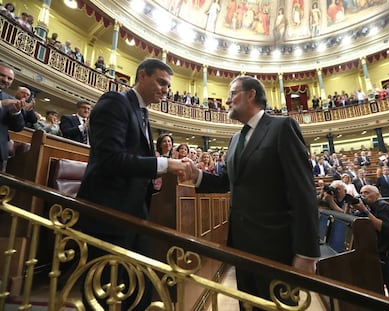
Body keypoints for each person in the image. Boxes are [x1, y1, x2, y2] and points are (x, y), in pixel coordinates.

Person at [184, 75, 319, 308]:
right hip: (242, 246)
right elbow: (227, 181)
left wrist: (307, 253)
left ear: (251, 94)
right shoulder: (236, 138)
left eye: (232, 93)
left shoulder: (282, 127)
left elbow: (303, 191)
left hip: (276, 247)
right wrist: (197, 176)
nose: (227, 101)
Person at [76, 58, 190, 310]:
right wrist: (164, 165)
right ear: (142, 76)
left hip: (135, 213)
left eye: (168, 86)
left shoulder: (142, 112)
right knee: (105, 293)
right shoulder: (115, 102)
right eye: (161, 82)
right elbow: (111, 159)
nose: (165, 90)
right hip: (107, 213)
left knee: (138, 289)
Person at [353, 185, 389, 302]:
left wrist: (365, 211)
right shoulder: (368, 208)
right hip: (375, 257)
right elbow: (349, 219)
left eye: (367, 193)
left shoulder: (384, 206)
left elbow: (383, 228)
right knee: (377, 295)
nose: (363, 196)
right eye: (362, 193)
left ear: (377, 195)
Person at [0, 62, 25, 171]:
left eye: (9, 78)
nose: (5, 80)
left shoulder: (9, 99)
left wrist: (15, 112)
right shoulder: (6, 101)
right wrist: (1, 104)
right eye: (2, 75)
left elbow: (18, 127)